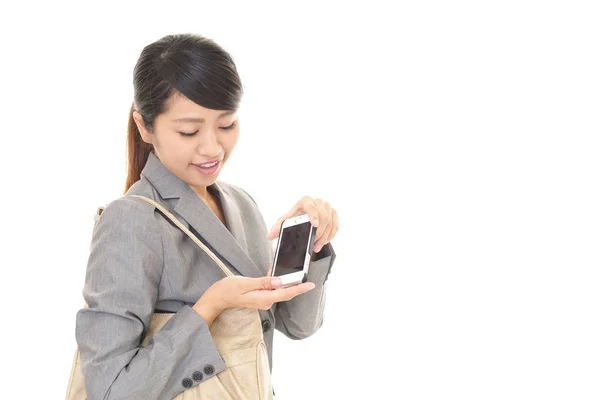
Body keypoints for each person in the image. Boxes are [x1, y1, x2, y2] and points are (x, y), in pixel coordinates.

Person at [74, 33, 338, 399]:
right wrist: (212, 305)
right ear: (144, 126)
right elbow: (111, 390)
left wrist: (312, 247)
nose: (213, 148)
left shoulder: (240, 202)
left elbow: (296, 327)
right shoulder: (130, 220)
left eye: (227, 125)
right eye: (189, 130)